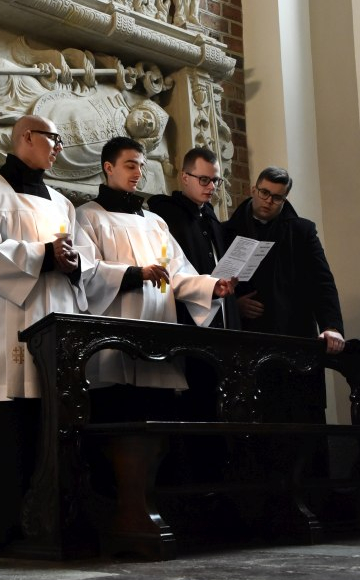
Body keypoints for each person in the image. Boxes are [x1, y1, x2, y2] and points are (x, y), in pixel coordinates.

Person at [0, 114, 95, 548]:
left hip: (55, 325)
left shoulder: (62, 203)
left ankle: (48, 526)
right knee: (7, 431)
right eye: (54, 139)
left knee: (50, 427)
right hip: (7, 326)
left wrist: (74, 264)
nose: (59, 148)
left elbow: (86, 260)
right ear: (27, 137)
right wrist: (42, 255)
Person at [76, 136, 236, 422]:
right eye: (130, 165)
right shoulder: (88, 216)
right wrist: (135, 274)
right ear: (109, 167)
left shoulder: (155, 222)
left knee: (161, 428)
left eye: (141, 166)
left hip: (159, 339)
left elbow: (177, 272)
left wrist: (212, 287)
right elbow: (87, 272)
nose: (138, 173)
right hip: (116, 339)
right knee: (118, 424)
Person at [224, 165, 344, 422]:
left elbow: (322, 283)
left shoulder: (302, 231)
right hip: (248, 339)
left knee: (302, 419)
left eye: (277, 197)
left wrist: (332, 326)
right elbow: (213, 282)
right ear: (253, 189)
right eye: (264, 192)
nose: (269, 200)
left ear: (285, 199)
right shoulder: (226, 231)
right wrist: (234, 305)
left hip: (293, 333)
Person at [148, 146, 240, 419]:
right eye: (204, 180)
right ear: (184, 177)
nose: (211, 187)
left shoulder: (210, 216)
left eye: (216, 181)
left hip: (222, 315)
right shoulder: (166, 215)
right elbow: (174, 270)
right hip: (188, 317)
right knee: (196, 403)